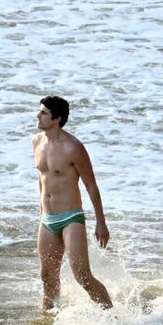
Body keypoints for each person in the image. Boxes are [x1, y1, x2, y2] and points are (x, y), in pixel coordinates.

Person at [32, 95, 113, 310]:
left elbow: (91, 186)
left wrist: (101, 223)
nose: (37, 116)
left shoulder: (73, 147)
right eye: (39, 111)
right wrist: (42, 213)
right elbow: (43, 179)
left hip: (71, 218)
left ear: (56, 119)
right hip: (47, 219)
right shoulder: (36, 142)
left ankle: (112, 318)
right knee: (47, 277)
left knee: (82, 277)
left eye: (43, 113)